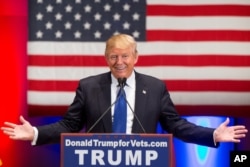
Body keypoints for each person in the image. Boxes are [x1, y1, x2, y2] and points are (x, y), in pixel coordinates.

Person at [1, 34, 248, 147]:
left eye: (125, 56)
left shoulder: (154, 87)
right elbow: (69, 125)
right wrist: (34, 133)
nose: (119, 62)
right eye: (113, 56)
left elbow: (175, 125)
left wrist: (212, 135)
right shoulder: (88, 86)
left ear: (136, 57)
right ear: (106, 58)